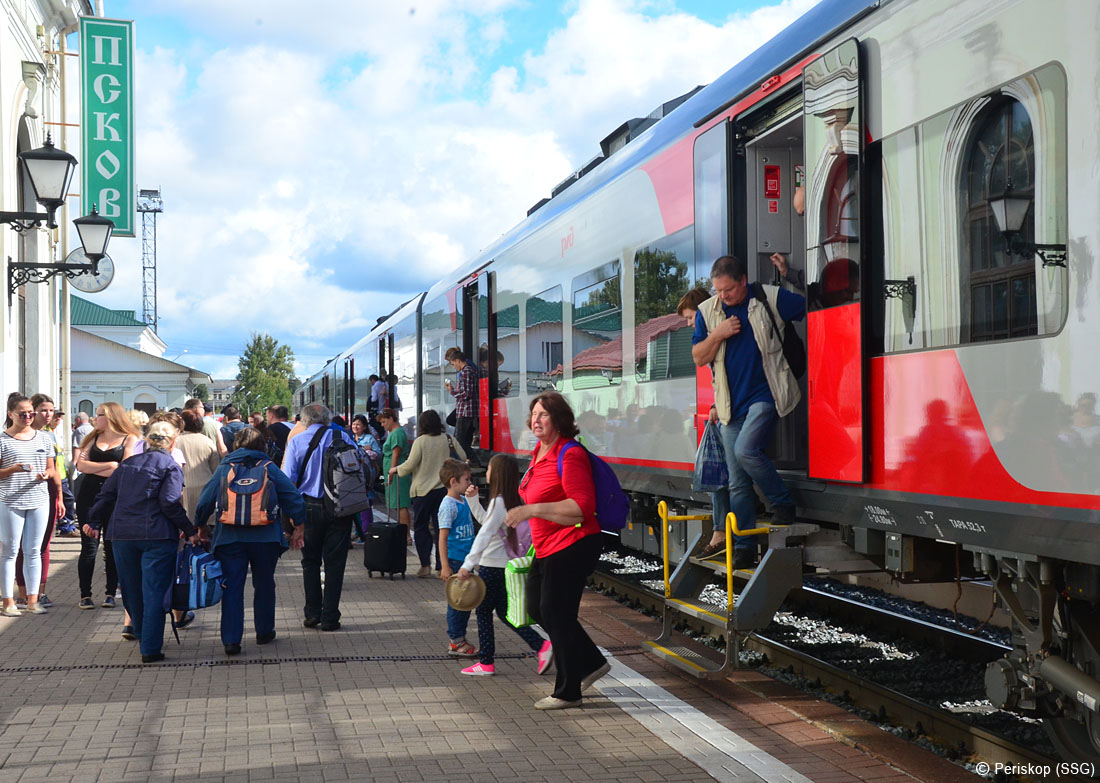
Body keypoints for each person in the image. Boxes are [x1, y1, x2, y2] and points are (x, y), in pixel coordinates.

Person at [691, 255, 805, 568]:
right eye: (718, 291)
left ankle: (782, 502)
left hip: (766, 394)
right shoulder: (707, 312)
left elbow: (810, 307)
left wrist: (791, 276)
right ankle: (743, 546)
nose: (723, 296)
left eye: (728, 290)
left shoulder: (768, 298)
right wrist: (718, 333)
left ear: (742, 281)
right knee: (737, 482)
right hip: (730, 405)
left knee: (745, 450)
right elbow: (699, 356)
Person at [503, 391, 607, 709]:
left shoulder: (570, 453)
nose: (536, 419)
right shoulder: (539, 452)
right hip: (547, 545)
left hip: (573, 543)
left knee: (557, 613)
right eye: (534, 414)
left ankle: (568, 690)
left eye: (544, 414)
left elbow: (582, 507)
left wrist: (532, 511)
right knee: (538, 608)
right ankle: (590, 662)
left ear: (560, 419)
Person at [86, 420, 200, 663]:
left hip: (123, 535)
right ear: (173, 442)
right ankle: (149, 647)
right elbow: (170, 503)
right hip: (157, 536)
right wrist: (189, 529)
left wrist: (94, 522)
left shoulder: (127, 465)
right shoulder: (170, 466)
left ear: (147, 441)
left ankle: (139, 629)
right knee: (155, 591)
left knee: (130, 588)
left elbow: (106, 495)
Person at [195, 427, 305, 656]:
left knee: (232, 586)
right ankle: (264, 631)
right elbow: (293, 496)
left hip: (229, 537)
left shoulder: (226, 467)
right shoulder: (269, 467)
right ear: (262, 446)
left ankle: (232, 640)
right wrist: (299, 525)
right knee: (264, 583)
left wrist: (201, 525)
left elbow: (205, 499)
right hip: (266, 538)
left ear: (236, 445)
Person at [457, 453, 550, 676]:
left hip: (491, 566)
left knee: (483, 611)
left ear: (497, 473)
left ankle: (487, 662)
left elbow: (485, 533)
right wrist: (472, 501)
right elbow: (488, 524)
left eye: (489, 468)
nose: (486, 472)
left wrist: (468, 564)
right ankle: (542, 646)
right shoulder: (510, 499)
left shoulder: (499, 502)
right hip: (503, 565)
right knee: (505, 612)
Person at [282, 403, 358, 632]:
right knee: (335, 564)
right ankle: (330, 617)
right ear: (327, 419)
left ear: (304, 420)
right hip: (340, 506)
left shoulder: (296, 441)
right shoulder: (342, 436)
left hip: (309, 507)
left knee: (310, 562)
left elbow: (287, 480)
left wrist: (291, 516)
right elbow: (359, 465)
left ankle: (312, 613)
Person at [75, 402, 140, 610]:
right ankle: (85, 594)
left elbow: (125, 469)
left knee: (112, 546)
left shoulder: (129, 438)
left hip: (115, 498)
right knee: (89, 546)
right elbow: (80, 465)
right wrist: (110, 465)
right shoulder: (93, 437)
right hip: (88, 496)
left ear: (112, 416)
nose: (96, 419)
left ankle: (111, 593)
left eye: (100, 415)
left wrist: (109, 468)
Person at [0, 395, 59, 617]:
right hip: (10, 500)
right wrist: (13, 469)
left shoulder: (44, 438)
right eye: (22, 414)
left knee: (34, 550)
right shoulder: (3, 440)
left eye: (30, 414)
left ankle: (33, 600)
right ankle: (8, 602)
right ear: (10, 414)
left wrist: (47, 474)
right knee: (10, 550)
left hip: (39, 499)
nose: (27, 417)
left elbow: (52, 469)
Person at [392, 409, 466, 578]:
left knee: (421, 528)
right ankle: (442, 566)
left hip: (422, 492)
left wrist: (395, 469)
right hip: (443, 491)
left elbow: (410, 465)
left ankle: (425, 565)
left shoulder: (420, 442)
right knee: (442, 528)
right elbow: (463, 456)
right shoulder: (448, 439)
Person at [13, 394, 65, 608]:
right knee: (18, 547)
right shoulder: (12, 435)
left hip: (48, 492)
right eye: (43, 410)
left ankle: (39, 592)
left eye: (51, 410)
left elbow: (54, 471)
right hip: (18, 494)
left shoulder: (48, 436)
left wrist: (60, 497)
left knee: (42, 545)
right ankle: (23, 593)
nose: (48, 415)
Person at [437, 459, 478, 658]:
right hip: (455, 560)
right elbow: (442, 537)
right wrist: (445, 565)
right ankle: (456, 641)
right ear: (453, 481)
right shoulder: (448, 506)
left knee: (466, 601)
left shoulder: (462, 500)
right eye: (466, 479)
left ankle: (459, 637)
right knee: (457, 602)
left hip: (465, 559)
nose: (470, 483)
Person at [177, 409, 221, 526]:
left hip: (182, 489)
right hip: (205, 489)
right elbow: (216, 469)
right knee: (205, 524)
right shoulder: (208, 442)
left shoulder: (175, 441)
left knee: (185, 525)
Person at [378, 408, 412, 535]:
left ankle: (406, 535)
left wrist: (391, 472)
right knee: (398, 504)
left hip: (397, 473)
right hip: (394, 472)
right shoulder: (394, 433)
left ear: (391, 419)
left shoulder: (397, 433)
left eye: (384, 421)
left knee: (400, 504)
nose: (383, 425)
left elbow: (396, 453)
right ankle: (404, 534)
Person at [444, 348, 477, 456]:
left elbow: (466, 394)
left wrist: (452, 391)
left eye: (454, 364)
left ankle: (473, 459)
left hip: (465, 410)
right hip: (467, 410)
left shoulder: (466, 372)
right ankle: (468, 459)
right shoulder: (470, 371)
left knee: (459, 439)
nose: (454, 367)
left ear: (458, 361)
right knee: (465, 438)